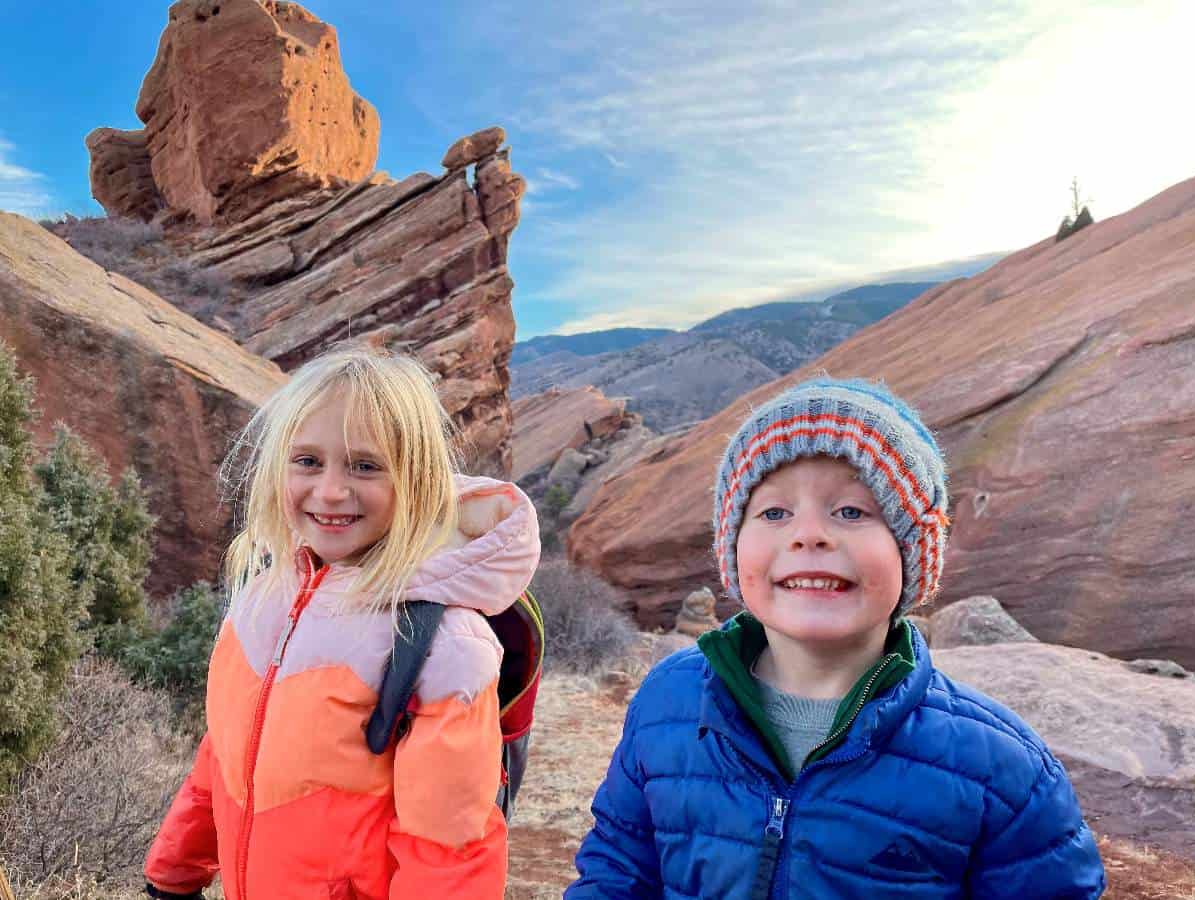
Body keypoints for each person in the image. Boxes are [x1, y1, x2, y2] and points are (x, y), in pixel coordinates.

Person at [567, 377, 1105, 898]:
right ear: (732, 549)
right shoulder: (670, 702)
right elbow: (618, 867)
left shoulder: (1001, 768)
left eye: (851, 511)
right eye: (774, 512)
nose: (808, 535)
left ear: (912, 553)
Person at [142, 347, 539, 900]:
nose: (330, 491)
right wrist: (173, 870)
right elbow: (224, 754)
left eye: (365, 465)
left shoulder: (445, 644)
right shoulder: (264, 596)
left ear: (416, 480)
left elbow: (449, 853)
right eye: (307, 461)